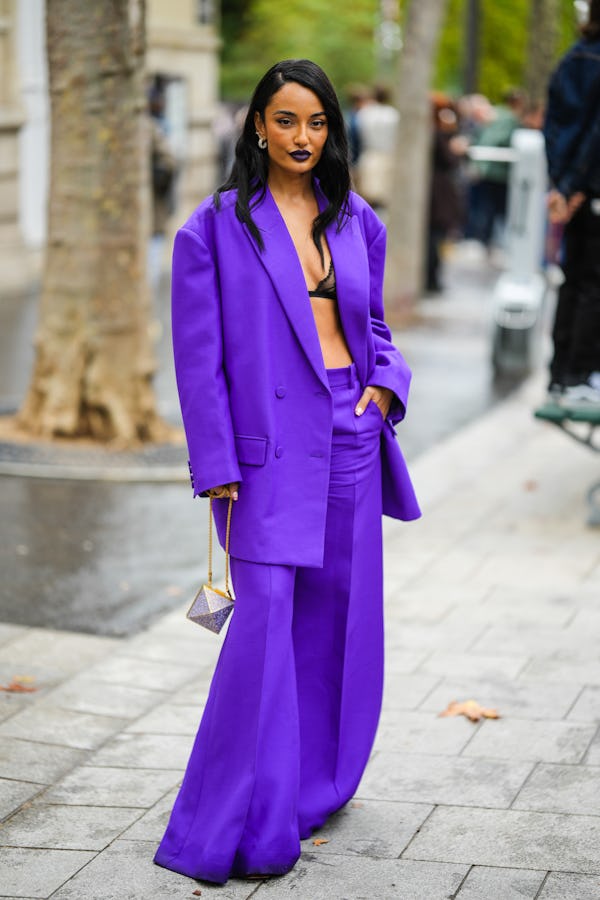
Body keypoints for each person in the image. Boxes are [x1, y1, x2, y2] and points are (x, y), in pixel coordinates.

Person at [153, 58, 420, 885]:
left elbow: (374, 327)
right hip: (263, 452)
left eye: (316, 122)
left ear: (330, 130)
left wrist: (385, 386)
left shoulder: (355, 218)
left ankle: (312, 791)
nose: (302, 136)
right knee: (262, 626)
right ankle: (226, 826)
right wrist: (215, 461)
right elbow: (198, 360)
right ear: (258, 127)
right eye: (286, 120)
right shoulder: (214, 227)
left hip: (349, 433)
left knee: (338, 621)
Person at [543, 0, 600, 405]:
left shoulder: (573, 57)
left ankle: (561, 374)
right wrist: (578, 186)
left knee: (575, 277)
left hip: (574, 187)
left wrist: (561, 185)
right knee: (592, 282)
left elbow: (555, 126)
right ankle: (578, 375)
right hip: (590, 188)